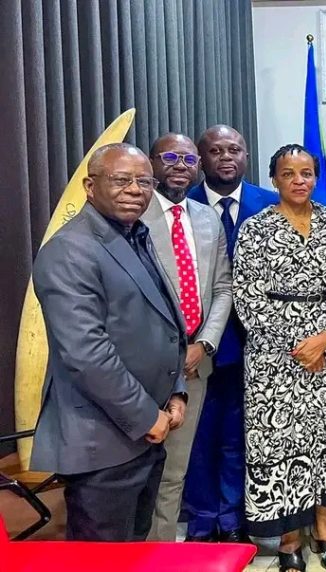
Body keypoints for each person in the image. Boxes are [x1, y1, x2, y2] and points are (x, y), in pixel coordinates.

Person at [31, 143, 187, 541]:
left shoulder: (134, 234)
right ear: (90, 186)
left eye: (144, 182)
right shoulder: (70, 249)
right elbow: (87, 354)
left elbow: (165, 322)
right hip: (103, 439)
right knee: (102, 558)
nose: (135, 189)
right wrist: (145, 416)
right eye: (121, 180)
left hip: (145, 433)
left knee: (135, 549)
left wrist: (176, 390)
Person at [233, 144, 326, 572]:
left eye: (306, 173)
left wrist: (325, 338)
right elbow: (248, 298)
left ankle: (324, 530)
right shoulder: (255, 229)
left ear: (316, 177)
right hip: (274, 359)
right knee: (283, 443)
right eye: (288, 173)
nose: (298, 180)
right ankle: (289, 538)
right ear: (274, 179)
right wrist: (298, 344)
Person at [183, 125, 278, 543]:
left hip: (258, 345)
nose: (226, 157)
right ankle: (203, 521)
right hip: (196, 345)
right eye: (216, 150)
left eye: (234, 150)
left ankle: (234, 517)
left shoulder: (272, 203)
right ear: (201, 158)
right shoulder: (182, 206)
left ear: (246, 156)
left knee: (240, 435)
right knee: (198, 435)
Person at [142, 134, 233, 542]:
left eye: (188, 159)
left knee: (174, 471)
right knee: (137, 471)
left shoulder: (206, 217)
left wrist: (204, 344)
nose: (180, 165)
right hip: (142, 365)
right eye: (170, 157)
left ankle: (162, 554)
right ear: (151, 162)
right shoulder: (132, 214)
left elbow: (223, 288)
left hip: (196, 362)